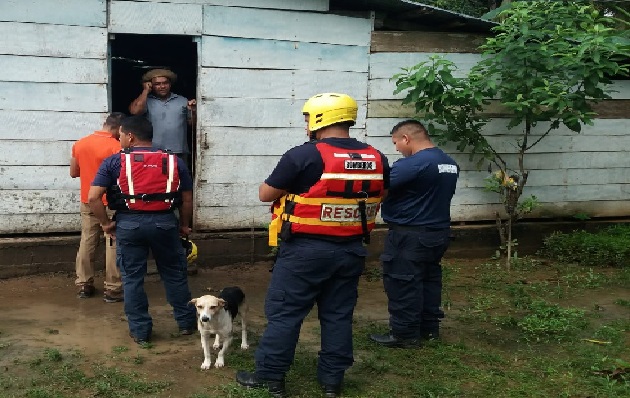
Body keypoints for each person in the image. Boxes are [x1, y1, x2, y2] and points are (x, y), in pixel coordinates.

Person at [236, 93, 390, 398]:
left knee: (285, 313)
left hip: (305, 251)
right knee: (337, 315)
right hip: (351, 250)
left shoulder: (303, 155)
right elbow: (380, 194)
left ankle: (270, 376)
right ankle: (332, 381)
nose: (306, 124)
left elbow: (266, 194)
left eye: (307, 118)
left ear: (320, 118)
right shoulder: (377, 157)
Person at [87, 116, 197, 345]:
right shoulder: (174, 161)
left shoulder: (113, 162)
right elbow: (187, 199)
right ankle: (187, 324)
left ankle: (140, 332)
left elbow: (93, 198)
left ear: (130, 136)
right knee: (175, 275)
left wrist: (106, 224)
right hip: (165, 223)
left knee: (132, 279)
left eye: (121, 136)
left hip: (129, 225)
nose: (120, 140)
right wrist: (184, 225)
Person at [369, 119, 459, 348]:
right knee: (429, 280)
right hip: (438, 233)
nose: (397, 148)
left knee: (403, 282)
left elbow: (378, 189)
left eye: (396, 143)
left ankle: (404, 334)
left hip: (410, 235)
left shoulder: (412, 164)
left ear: (406, 138)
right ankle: (429, 329)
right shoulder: (448, 162)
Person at [70, 112, 126, 302]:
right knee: (113, 242)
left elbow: (73, 172)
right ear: (119, 129)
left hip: (88, 200)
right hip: (109, 202)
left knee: (87, 240)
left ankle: (84, 284)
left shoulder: (80, 143)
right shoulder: (116, 147)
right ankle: (113, 288)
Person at [128, 68, 196, 162]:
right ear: (151, 86)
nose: (162, 86)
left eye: (165, 83)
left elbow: (192, 124)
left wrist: (193, 111)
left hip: (178, 151)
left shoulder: (182, 100)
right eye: (157, 84)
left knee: (178, 176)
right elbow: (135, 111)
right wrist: (145, 91)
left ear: (170, 84)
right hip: (153, 150)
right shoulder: (146, 101)